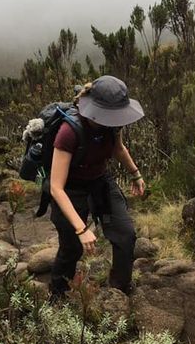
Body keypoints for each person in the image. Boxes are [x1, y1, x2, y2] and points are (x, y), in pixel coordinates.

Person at [49, 75, 145, 299]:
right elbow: (56, 187)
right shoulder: (68, 132)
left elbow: (118, 149)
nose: (113, 121)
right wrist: (81, 229)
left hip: (99, 181)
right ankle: (57, 297)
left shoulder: (112, 124)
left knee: (125, 234)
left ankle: (119, 291)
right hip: (70, 189)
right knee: (72, 248)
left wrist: (135, 173)